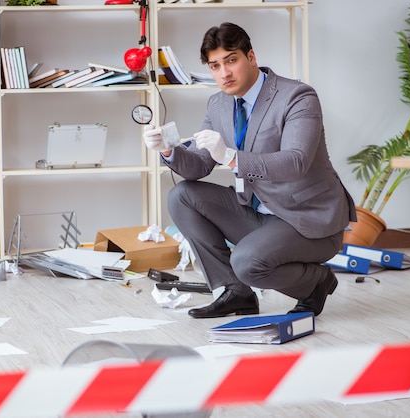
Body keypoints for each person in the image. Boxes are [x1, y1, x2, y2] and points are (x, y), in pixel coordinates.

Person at [143, 22, 356, 319]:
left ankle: (315, 282)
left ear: (251, 57)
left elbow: (296, 161)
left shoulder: (298, 96)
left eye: (231, 60)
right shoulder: (218, 104)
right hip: (258, 214)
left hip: (307, 219)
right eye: (215, 66)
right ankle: (235, 292)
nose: (224, 73)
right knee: (181, 195)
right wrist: (168, 150)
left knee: (247, 263)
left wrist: (231, 158)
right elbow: (198, 166)